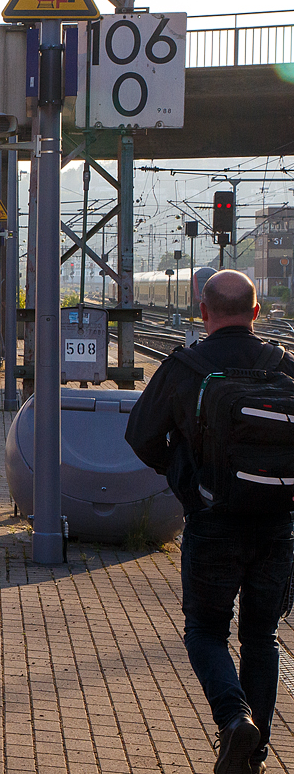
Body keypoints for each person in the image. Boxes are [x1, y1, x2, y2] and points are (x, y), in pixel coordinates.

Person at [126, 269, 294, 773]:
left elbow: (141, 436)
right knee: (262, 637)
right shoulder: (284, 365)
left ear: (204, 312)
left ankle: (233, 719)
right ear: (257, 311)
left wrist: (185, 476)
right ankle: (253, 757)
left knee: (205, 630)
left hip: (213, 522)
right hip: (277, 525)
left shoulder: (187, 366)